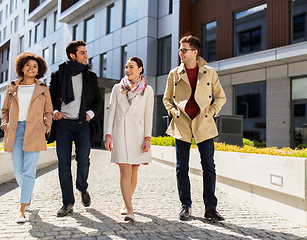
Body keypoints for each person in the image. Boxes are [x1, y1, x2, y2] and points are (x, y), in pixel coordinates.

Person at [163, 35, 227, 222]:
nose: (180, 53)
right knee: (181, 167)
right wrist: (173, 111)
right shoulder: (174, 73)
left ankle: (210, 208)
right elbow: (167, 98)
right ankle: (186, 206)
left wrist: (212, 112)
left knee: (208, 166)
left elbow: (221, 97)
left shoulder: (209, 72)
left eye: (184, 50)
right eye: (180, 50)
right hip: (182, 122)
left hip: (204, 123)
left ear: (195, 52)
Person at [49, 40, 103, 217]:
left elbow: (98, 100)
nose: (86, 55)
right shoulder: (58, 75)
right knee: (63, 165)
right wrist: (55, 111)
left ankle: (82, 187)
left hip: (82, 124)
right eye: (82, 52)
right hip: (63, 124)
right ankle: (68, 203)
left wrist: (89, 114)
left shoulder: (90, 76)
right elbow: (49, 98)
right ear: (72, 55)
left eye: (86, 52)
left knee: (83, 161)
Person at [1, 52, 53, 223]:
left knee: (29, 171)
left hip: (35, 130)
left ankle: (22, 208)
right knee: (17, 169)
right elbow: (5, 110)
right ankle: (27, 193)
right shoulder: (12, 86)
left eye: (35, 66)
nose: (31, 68)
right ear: (22, 67)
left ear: (39, 71)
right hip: (15, 130)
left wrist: (46, 127)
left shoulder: (43, 89)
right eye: (28, 65)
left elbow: (49, 111)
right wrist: (5, 124)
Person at [104, 57, 154, 221]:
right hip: (120, 132)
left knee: (134, 170)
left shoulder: (148, 90)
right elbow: (111, 112)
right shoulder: (117, 88)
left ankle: (126, 203)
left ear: (140, 69)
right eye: (126, 67)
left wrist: (147, 138)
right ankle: (130, 210)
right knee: (125, 170)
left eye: (131, 67)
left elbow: (149, 116)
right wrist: (108, 135)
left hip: (138, 135)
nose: (128, 70)